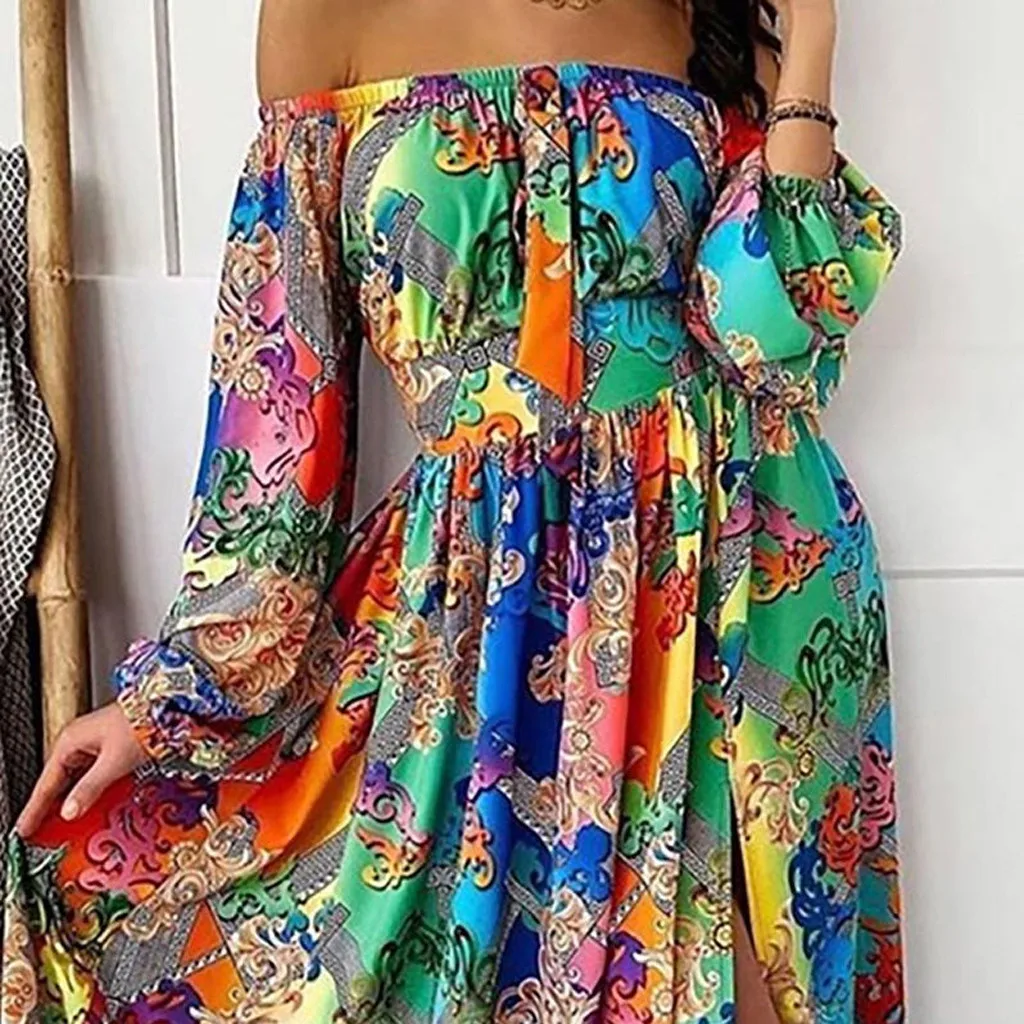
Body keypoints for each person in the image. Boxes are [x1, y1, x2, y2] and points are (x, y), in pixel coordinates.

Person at [3, 1, 905, 1021]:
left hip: (727, 568)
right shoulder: (321, 16)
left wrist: (812, 35)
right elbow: (282, 392)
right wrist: (175, 694)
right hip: (481, 591)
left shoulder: (707, 16)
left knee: (733, 980)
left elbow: (767, 339)